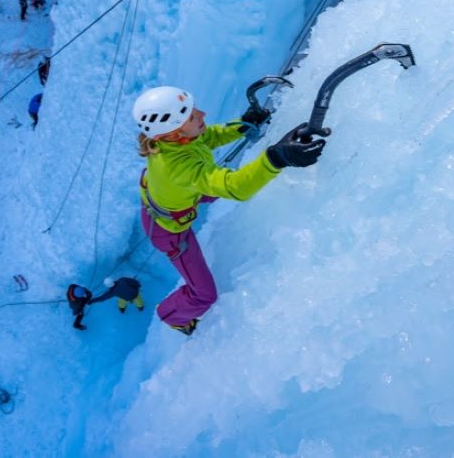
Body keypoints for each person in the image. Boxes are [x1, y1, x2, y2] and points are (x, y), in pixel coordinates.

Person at [133, 86, 325, 336]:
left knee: (210, 188)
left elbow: (208, 137)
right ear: (172, 134)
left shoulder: (175, 140)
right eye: (192, 116)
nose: (202, 113)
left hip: (168, 199)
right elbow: (237, 189)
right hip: (170, 232)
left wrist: (242, 125)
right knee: (204, 296)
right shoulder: (179, 167)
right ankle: (171, 315)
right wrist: (276, 158)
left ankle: (204, 192)